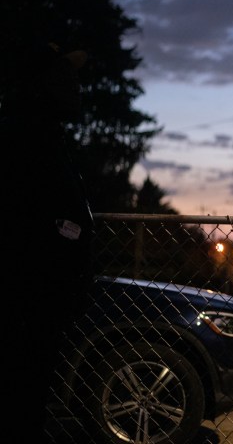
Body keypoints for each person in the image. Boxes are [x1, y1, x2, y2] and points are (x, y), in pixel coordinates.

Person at [0, 42, 95, 443]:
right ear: (39, 83)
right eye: (65, 76)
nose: (76, 87)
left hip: (42, 300)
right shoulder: (23, 135)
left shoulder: (46, 135)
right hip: (26, 300)